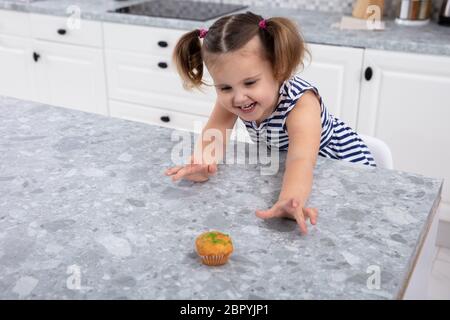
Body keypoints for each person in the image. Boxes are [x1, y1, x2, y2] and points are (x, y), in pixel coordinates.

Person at [164, 11, 376, 235]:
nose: (238, 97)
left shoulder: (301, 104)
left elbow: (301, 160)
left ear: (279, 70)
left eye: (250, 82)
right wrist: (203, 164)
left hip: (342, 165)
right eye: (225, 87)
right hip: (291, 165)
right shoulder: (236, 99)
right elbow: (216, 131)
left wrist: (290, 200)